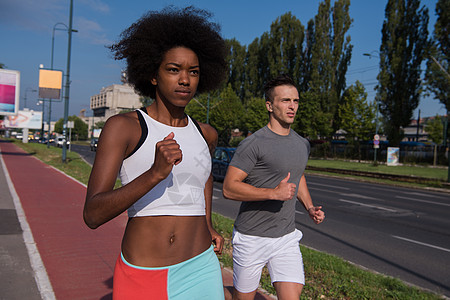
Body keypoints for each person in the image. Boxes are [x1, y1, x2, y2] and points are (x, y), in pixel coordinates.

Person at [83, 6, 228, 300]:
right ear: (152, 74)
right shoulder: (124, 128)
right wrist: (154, 174)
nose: (184, 80)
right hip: (143, 274)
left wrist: (208, 224)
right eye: (174, 69)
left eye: (193, 72)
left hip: (201, 267)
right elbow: (93, 214)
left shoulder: (206, 133)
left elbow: (205, 177)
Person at [222, 74, 325, 300]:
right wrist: (273, 193)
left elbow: (298, 177)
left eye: (296, 101)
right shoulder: (253, 144)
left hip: (285, 237)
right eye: (285, 100)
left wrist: (309, 207)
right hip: (252, 237)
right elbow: (229, 188)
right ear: (270, 105)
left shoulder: (302, 144)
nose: (292, 106)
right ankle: (217, 294)